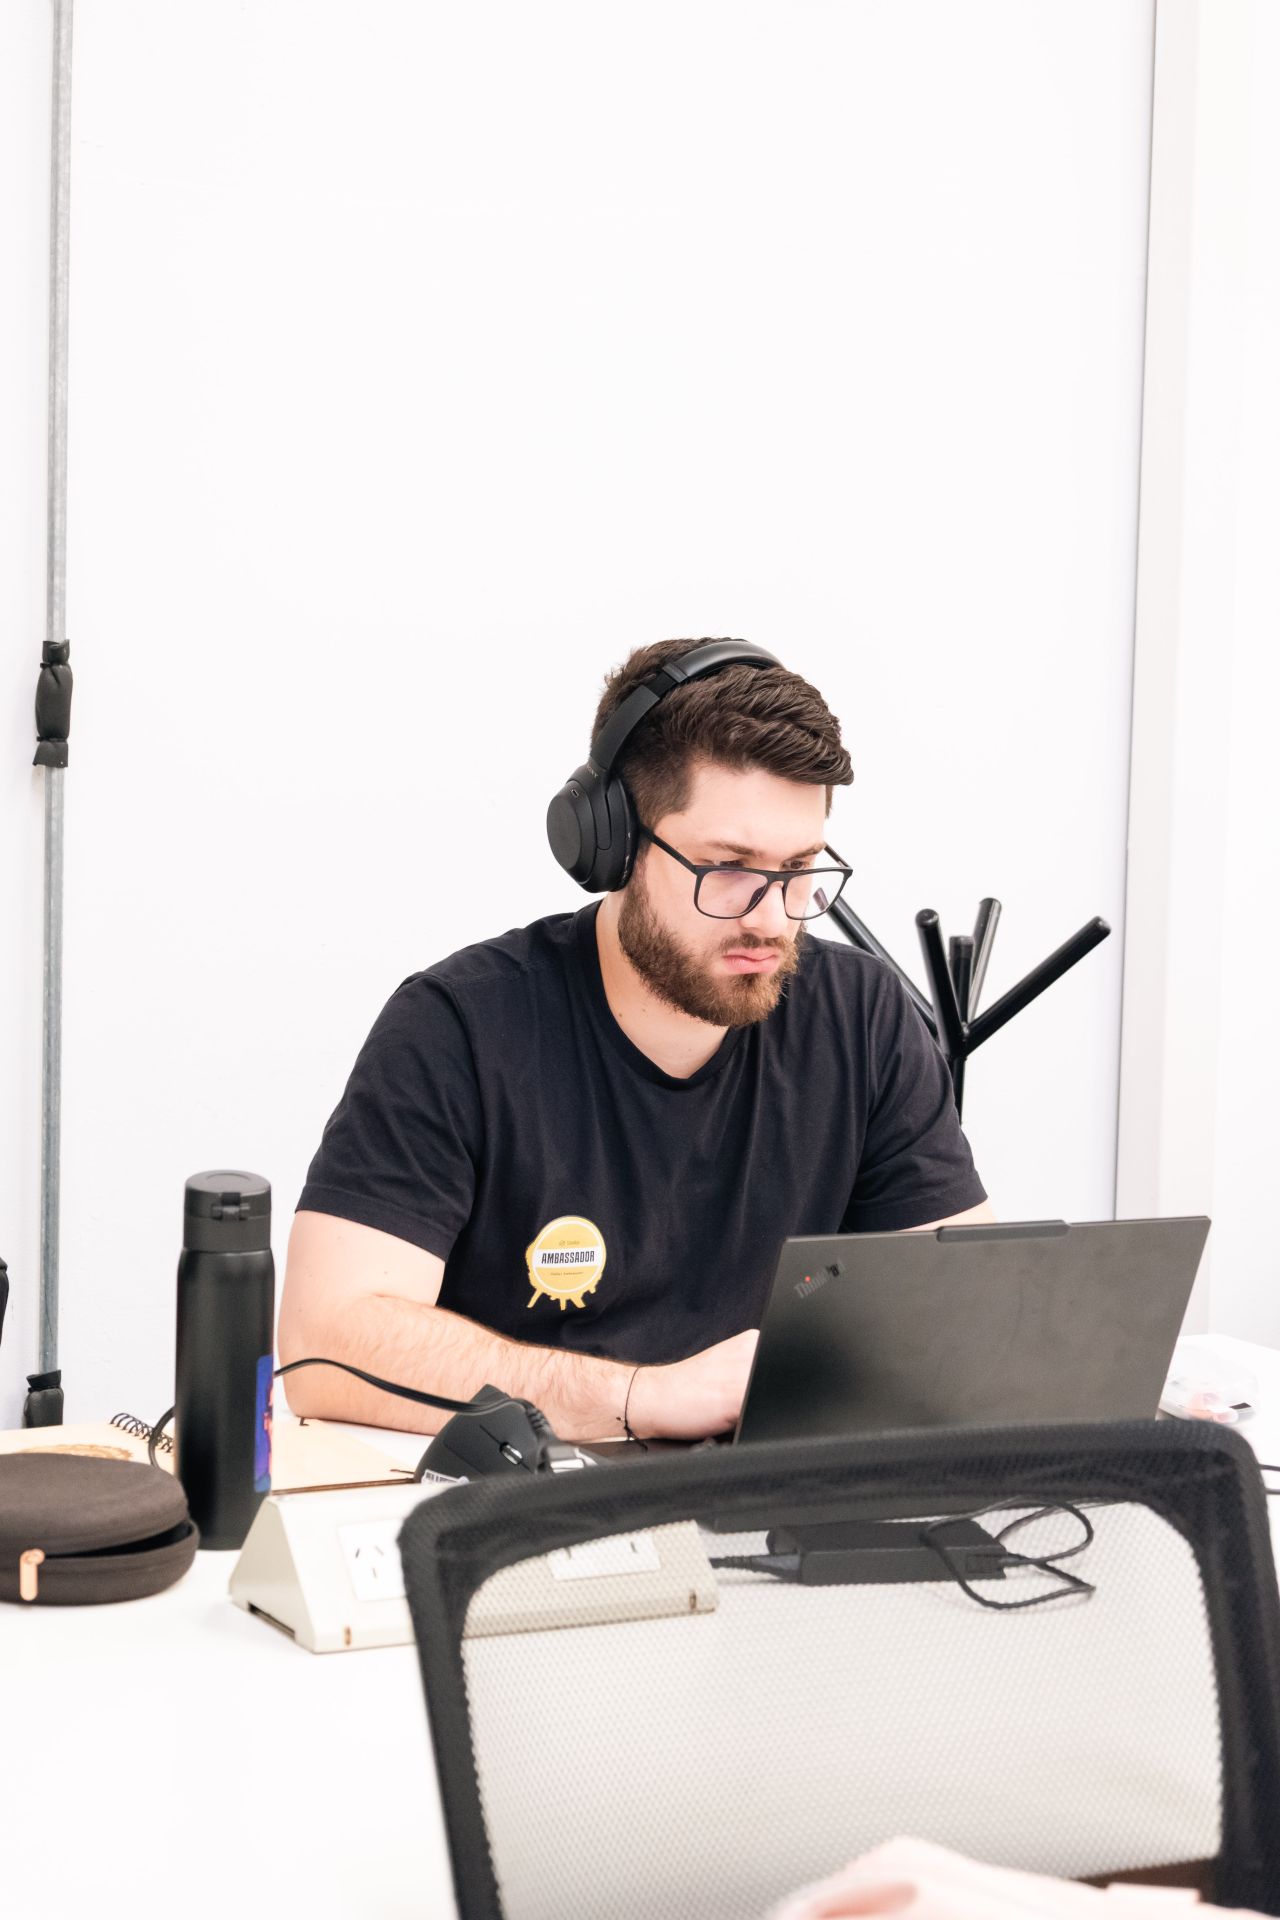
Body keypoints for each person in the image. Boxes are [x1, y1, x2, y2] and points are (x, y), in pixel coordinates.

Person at [279, 640, 993, 1441]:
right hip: (534, 1496)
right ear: (614, 846)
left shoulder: (863, 1016)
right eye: (728, 867)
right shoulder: (458, 1029)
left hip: (774, 1493)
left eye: (799, 868)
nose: (772, 919)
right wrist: (637, 1397)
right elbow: (325, 1347)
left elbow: (966, 1317)